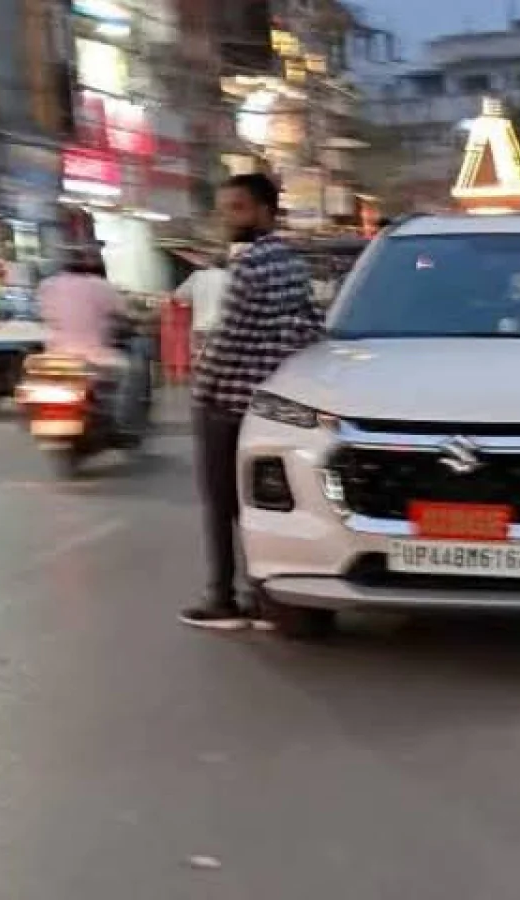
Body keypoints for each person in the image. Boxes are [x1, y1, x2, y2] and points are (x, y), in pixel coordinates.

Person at [181, 173, 325, 630]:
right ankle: (265, 596)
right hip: (270, 403)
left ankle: (222, 597)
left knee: (220, 502)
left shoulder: (249, 265)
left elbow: (229, 337)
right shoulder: (293, 263)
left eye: (238, 208)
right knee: (260, 504)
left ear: (265, 210)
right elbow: (309, 326)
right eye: (225, 208)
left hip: (226, 401)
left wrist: (201, 388)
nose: (228, 217)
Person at [37, 245, 147, 436]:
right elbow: (126, 315)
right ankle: (124, 426)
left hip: (56, 356)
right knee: (134, 371)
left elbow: (44, 315)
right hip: (96, 356)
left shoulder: (47, 286)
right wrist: (139, 320)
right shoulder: (101, 287)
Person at [174, 253, 230, 356]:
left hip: (200, 326)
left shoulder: (197, 276)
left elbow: (178, 296)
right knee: (220, 357)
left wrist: (193, 301)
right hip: (221, 328)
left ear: (211, 263)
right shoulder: (230, 278)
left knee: (198, 356)